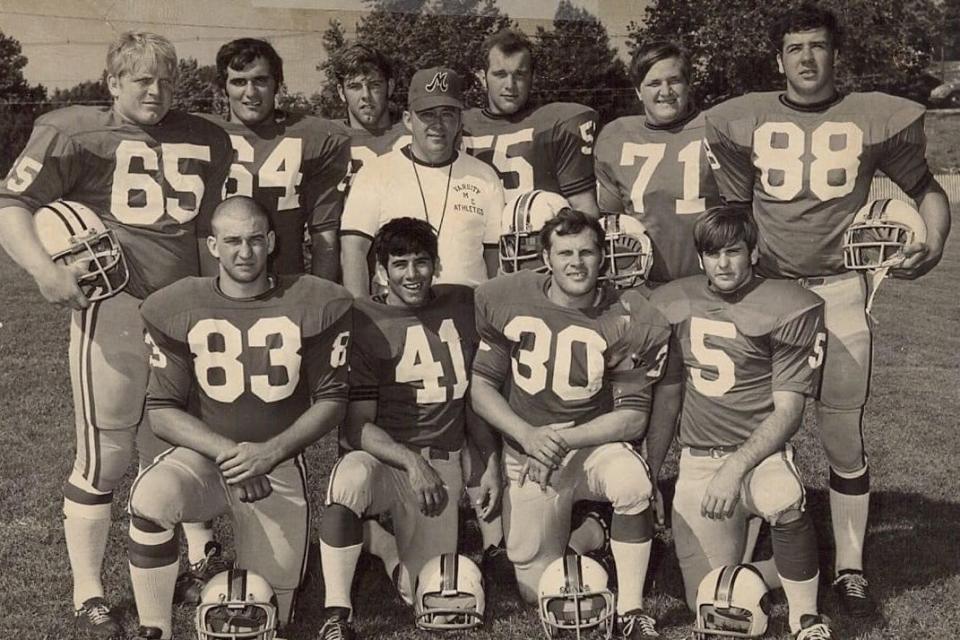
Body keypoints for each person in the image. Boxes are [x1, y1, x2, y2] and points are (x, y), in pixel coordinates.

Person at [704, 3, 951, 617]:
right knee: (756, 426)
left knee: (841, 433)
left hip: (841, 290)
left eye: (817, 46)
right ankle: (747, 549)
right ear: (779, 58)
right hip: (770, 293)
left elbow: (928, 192)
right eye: (795, 48)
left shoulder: (871, 117)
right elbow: (730, 216)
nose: (807, 59)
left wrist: (936, 242)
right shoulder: (745, 120)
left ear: (835, 55)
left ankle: (849, 565)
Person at [0, 31, 232, 636]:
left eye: (165, 80)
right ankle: (88, 589)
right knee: (107, 454)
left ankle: (187, 556)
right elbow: (10, 204)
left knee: (177, 447)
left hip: (183, 312)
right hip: (116, 308)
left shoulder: (208, 136)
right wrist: (44, 270)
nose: (155, 92)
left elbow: (211, 234)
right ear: (112, 83)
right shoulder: (74, 130)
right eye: (140, 80)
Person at [128, 197, 352, 640]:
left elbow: (332, 400)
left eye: (254, 240)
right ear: (213, 245)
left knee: (271, 613)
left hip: (277, 467)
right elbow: (162, 413)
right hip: (206, 462)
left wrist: (268, 453)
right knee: (151, 497)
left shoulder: (317, 300)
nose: (244, 252)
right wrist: (233, 455)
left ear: (271, 242)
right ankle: (153, 628)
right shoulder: (175, 305)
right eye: (232, 241)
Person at [471, 208, 671, 638]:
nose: (576, 263)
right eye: (564, 253)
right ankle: (593, 534)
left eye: (586, 252)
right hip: (529, 450)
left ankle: (632, 609)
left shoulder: (630, 315)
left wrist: (559, 439)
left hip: (590, 445)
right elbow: (481, 390)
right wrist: (527, 436)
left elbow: (633, 418)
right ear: (546, 257)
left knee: (631, 480)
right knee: (532, 588)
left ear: (602, 257)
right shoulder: (505, 297)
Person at [650, 205, 833, 639]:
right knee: (711, 600)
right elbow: (669, 395)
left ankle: (805, 618)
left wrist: (735, 469)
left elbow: (788, 412)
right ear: (700, 258)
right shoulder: (676, 300)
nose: (724, 264)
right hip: (698, 462)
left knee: (783, 494)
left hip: (759, 457)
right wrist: (652, 471)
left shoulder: (788, 305)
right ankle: (786, 567)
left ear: (753, 253)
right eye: (713, 254)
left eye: (733, 251)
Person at [317, 218, 500, 640]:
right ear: (381, 270)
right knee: (347, 481)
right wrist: (410, 460)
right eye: (400, 264)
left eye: (421, 262)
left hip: (444, 460)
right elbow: (354, 428)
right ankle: (336, 614)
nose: (412, 274)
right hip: (390, 458)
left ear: (436, 265)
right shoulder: (364, 320)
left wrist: (488, 463)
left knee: (424, 590)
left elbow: (473, 399)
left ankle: (381, 545)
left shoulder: (463, 303)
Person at [594, 39, 722, 517]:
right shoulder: (616, 135)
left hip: (705, 282)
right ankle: (641, 480)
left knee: (703, 387)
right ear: (638, 90)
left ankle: (676, 477)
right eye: (654, 83)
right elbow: (607, 215)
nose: (665, 90)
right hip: (641, 285)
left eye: (674, 79)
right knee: (647, 383)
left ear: (689, 84)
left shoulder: (717, 128)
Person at [339, 65, 505, 297]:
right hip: (399, 313)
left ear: (460, 121)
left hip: (468, 310)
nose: (437, 124)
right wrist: (362, 314)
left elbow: (494, 259)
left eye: (447, 114)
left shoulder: (484, 176)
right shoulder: (376, 172)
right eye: (427, 114)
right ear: (408, 120)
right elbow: (353, 250)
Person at [199, 38, 351, 280]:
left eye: (260, 80)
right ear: (223, 87)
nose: (250, 92)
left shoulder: (315, 137)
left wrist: (320, 301)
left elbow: (325, 236)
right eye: (239, 82)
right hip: (215, 288)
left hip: (286, 287)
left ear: (277, 84)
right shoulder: (200, 134)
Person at [463, 28, 599, 215]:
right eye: (500, 74)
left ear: (532, 77)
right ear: (482, 78)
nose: (510, 85)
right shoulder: (459, 125)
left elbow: (584, 207)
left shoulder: (558, 123)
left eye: (519, 74)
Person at [330, 43, 410, 194]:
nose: (366, 95)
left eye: (375, 85)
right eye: (355, 87)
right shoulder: (326, 138)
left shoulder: (415, 132)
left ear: (390, 87)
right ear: (341, 92)